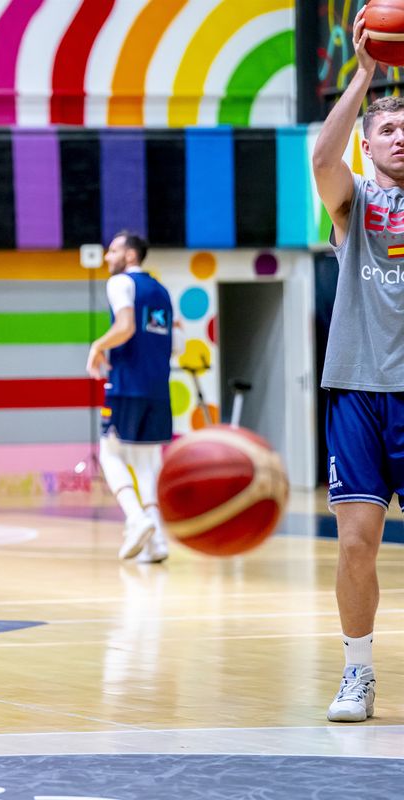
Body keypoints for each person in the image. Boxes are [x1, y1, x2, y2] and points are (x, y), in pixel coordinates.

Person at [312, 7, 404, 724]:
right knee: (355, 541)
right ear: (370, 145)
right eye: (388, 129)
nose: (400, 137)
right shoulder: (355, 205)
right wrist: (366, 75)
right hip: (357, 391)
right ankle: (358, 673)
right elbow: (321, 161)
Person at [86, 231, 174, 564]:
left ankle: (136, 519)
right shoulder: (162, 291)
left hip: (125, 385)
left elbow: (125, 326)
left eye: (113, 251)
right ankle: (157, 542)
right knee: (148, 462)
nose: (108, 257)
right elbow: (174, 343)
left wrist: (98, 345)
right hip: (158, 388)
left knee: (109, 453)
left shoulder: (121, 283)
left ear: (131, 256)